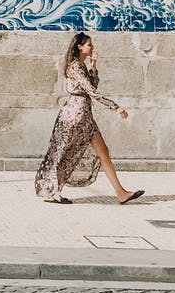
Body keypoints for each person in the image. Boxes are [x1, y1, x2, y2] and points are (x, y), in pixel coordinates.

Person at [34, 31, 144, 206]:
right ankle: (52, 192)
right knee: (63, 153)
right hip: (74, 117)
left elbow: (92, 85)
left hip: (85, 117)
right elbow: (91, 91)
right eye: (89, 45)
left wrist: (93, 66)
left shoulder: (82, 66)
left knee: (103, 152)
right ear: (80, 47)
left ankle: (121, 193)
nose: (92, 47)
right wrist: (115, 106)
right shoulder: (75, 66)